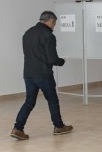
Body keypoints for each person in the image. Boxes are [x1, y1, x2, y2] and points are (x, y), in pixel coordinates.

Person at [10, 11, 72, 140]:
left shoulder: (27, 33)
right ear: (49, 21)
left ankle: (18, 128)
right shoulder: (48, 36)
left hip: (28, 73)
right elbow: (52, 59)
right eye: (54, 23)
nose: (54, 26)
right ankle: (59, 126)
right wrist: (62, 61)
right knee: (52, 100)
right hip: (43, 74)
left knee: (29, 101)